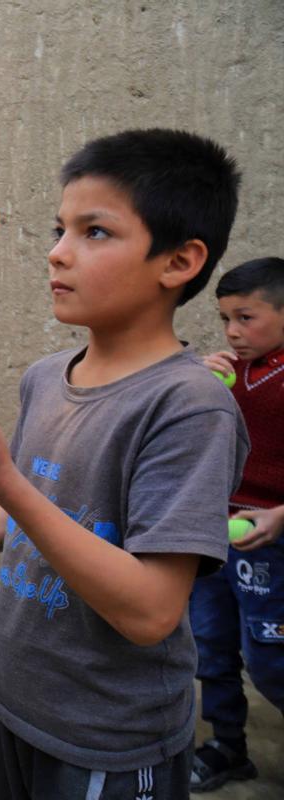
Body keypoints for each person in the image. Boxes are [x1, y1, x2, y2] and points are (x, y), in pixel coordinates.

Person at [0, 129, 246, 799]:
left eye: (94, 232)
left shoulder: (188, 408)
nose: (57, 253)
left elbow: (152, 612)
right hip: (14, 706)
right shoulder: (46, 377)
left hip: (110, 743)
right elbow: (41, 500)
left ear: (180, 261)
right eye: (58, 228)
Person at [191, 256, 284, 792]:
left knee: (271, 660)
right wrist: (199, 384)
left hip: (269, 544)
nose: (232, 331)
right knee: (210, 644)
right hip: (216, 534)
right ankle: (228, 746)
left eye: (246, 318)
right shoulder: (229, 371)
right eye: (225, 318)